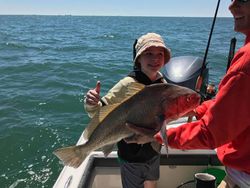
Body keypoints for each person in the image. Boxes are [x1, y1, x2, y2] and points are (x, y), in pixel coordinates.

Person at [125, 1, 250, 188]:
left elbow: (210, 133)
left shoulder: (246, 63)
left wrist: (156, 135)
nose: (232, 6)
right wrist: (195, 109)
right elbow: (234, 107)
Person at [84, 32, 171, 188]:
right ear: (138, 58)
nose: (155, 58)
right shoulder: (127, 83)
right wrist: (92, 103)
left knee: (152, 182)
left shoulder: (162, 82)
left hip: (154, 149)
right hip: (131, 156)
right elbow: (100, 111)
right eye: (149, 53)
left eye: (160, 53)